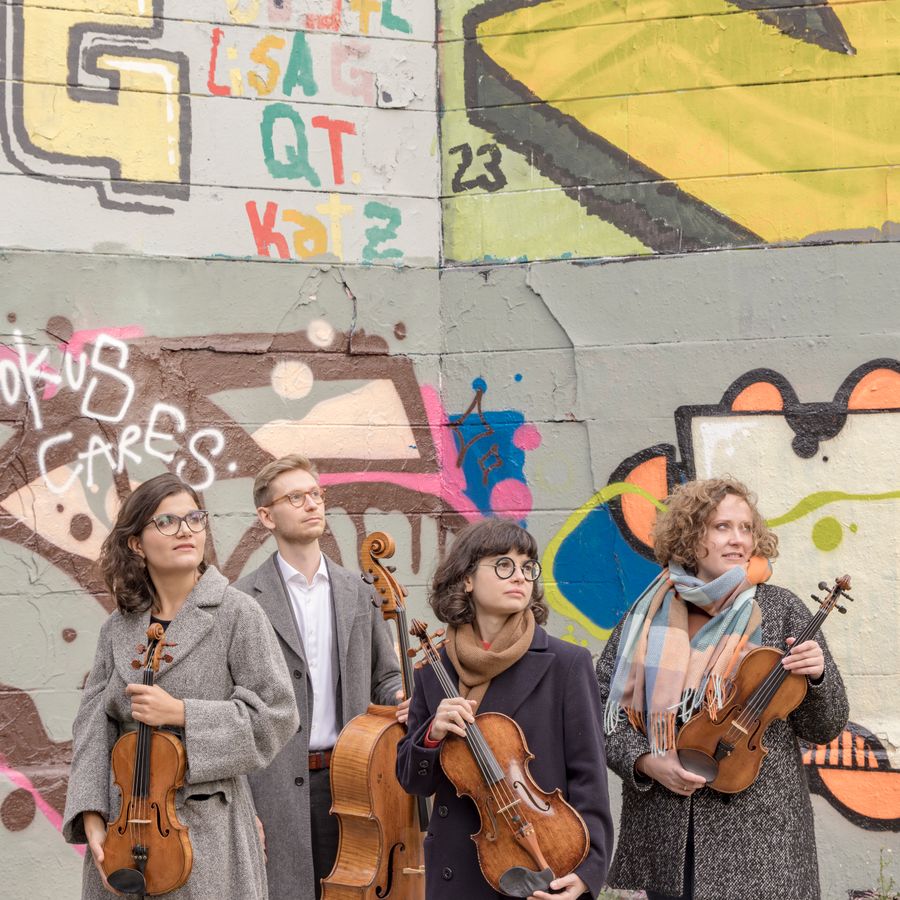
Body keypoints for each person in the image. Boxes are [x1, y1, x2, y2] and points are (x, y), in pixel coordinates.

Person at [596, 477, 849, 900]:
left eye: (746, 528)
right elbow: (602, 708)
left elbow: (826, 726)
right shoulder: (647, 614)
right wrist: (645, 762)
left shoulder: (781, 609)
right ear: (690, 537)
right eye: (721, 527)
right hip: (670, 833)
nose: (738, 539)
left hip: (762, 839)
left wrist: (819, 677)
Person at [62, 473, 299, 899]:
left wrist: (182, 713)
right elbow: (92, 727)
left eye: (194, 518)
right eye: (167, 522)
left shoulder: (237, 613)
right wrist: (92, 819)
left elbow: (277, 715)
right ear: (136, 543)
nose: (186, 530)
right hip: (124, 833)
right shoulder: (117, 627)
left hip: (211, 834)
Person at [396, 518, 613, 900]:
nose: (519, 576)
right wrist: (431, 735)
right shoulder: (433, 667)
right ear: (466, 579)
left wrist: (588, 870)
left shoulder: (566, 664)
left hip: (540, 866)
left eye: (527, 567)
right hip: (456, 871)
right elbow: (414, 782)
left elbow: (589, 778)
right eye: (503, 565)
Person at [234, 454, 403, 900]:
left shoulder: (360, 591)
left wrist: (401, 695)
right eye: (295, 497)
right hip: (273, 786)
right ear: (266, 516)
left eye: (315, 494)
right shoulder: (242, 600)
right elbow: (230, 705)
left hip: (352, 779)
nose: (311, 504)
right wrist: (244, 805)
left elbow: (385, 678)